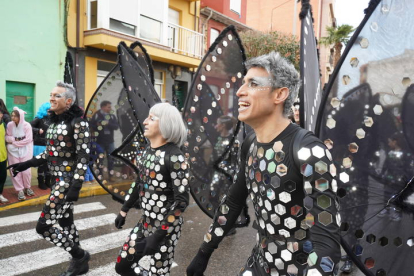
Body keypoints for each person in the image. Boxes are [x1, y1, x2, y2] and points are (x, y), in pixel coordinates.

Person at [187, 52, 341, 276]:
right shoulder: (250, 144)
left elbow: (325, 240)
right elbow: (233, 201)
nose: (240, 91)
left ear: (279, 94)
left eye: (253, 84)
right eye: (243, 83)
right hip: (259, 264)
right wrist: (204, 252)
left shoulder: (310, 151)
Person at [7, 81, 91, 276]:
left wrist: (76, 185)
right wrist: (26, 164)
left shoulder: (78, 122)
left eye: (57, 96)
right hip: (57, 180)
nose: (51, 98)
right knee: (65, 222)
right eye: (51, 94)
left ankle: (79, 256)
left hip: (67, 182)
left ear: (69, 101)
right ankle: (78, 262)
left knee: (43, 226)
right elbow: (49, 153)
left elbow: (83, 156)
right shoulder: (53, 122)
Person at [114, 102, 189, 276]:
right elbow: (139, 182)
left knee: (159, 272)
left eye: (152, 118)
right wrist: (124, 210)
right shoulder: (147, 152)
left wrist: (159, 235)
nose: (145, 121)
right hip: (145, 222)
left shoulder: (175, 157)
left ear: (165, 124)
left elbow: (181, 202)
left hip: (166, 229)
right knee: (122, 266)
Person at [5, 107, 34, 201]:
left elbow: (28, 139)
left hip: (26, 150)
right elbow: (7, 137)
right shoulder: (9, 125)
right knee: (15, 170)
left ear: (20, 117)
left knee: (26, 171)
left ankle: (27, 187)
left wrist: (15, 143)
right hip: (12, 151)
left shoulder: (27, 125)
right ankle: (19, 190)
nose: (13, 118)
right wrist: (13, 140)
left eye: (15, 116)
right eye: (12, 115)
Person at [90, 100, 119, 180]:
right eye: (108, 107)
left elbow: (116, 126)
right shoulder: (96, 115)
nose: (110, 108)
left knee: (111, 158)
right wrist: (97, 125)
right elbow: (91, 125)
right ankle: (100, 175)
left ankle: (111, 175)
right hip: (99, 141)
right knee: (100, 159)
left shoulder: (112, 116)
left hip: (110, 141)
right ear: (103, 107)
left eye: (110, 107)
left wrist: (108, 124)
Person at [30, 102, 51, 190]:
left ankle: (47, 182)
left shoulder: (53, 119)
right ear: (44, 110)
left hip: (50, 144)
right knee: (42, 165)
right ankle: (41, 183)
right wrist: (38, 130)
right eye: (48, 110)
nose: (50, 111)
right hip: (40, 145)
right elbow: (28, 126)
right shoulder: (38, 118)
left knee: (49, 165)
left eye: (51, 110)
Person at [0, 110, 9, 203]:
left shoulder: (4, 125)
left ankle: (0, 193)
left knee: (2, 176)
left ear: (1, 115)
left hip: (2, 156)